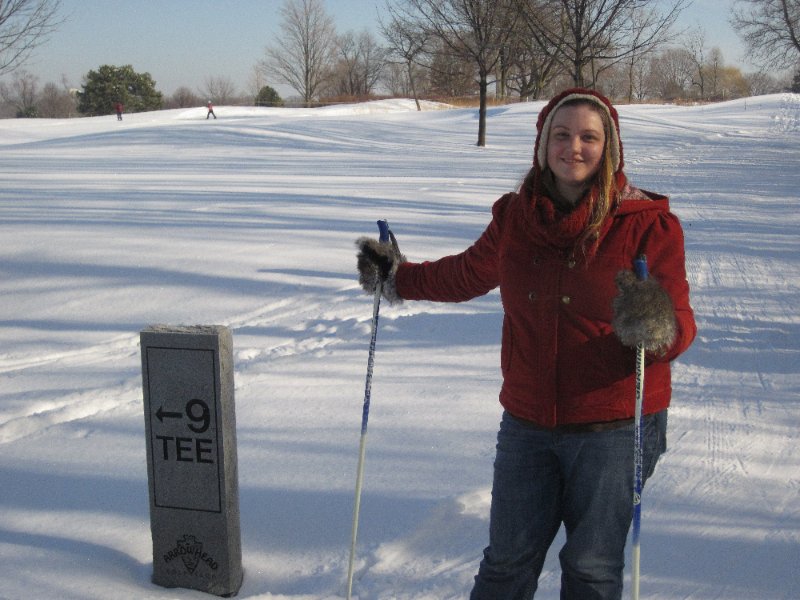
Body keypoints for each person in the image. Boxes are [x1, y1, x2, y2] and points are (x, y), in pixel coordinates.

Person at [355, 87, 696, 599]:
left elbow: (680, 326)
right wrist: (399, 279)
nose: (573, 148)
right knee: (507, 563)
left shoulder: (646, 225)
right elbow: (466, 273)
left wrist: (655, 324)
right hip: (528, 423)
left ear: (611, 148)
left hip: (615, 426)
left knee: (591, 567)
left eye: (589, 137)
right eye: (561, 135)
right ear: (542, 144)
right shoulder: (516, 218)